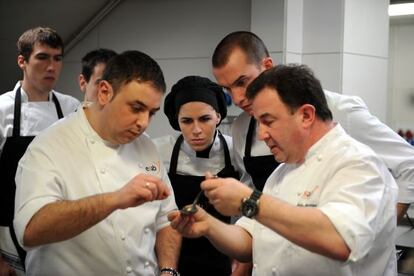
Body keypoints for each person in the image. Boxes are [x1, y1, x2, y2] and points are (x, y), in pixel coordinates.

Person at [169, 64, 398, 276]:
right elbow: (249, 241)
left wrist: (248, 201)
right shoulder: (282, 172)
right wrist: (209, 225)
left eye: (268, 121)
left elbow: (340, 239)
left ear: (306, 116)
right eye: (258, 122)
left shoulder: (357, 164)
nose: (261, 134)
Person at [211, 31, 414, 222]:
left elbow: (409, 164)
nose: (237, 98)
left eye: (242, 82)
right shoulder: (241, 128)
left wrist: (383, 229)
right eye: (228, 89)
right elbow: (252, 194)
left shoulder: (340, 110)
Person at [13, 50, 180, 276]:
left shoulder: (147, 147)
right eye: (136, 108)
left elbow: (166, 219)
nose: (143, 123)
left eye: (152, 113)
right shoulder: (50, 146)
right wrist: (116, 199)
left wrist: (168, 270)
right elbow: (30, 230)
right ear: (104, 92)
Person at [0, 26, 79, 275]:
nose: (52, 67)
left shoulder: (71, 108)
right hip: (8, 233)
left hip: (60, 228)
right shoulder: (1, 110)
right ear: (22, 61)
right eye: (43, 58)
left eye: (57, 59)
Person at [153, 76, 239, 276]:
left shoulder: (236, 151)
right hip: (175, 258)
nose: (197, 130)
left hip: (226, 257)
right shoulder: (159, 151)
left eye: (205, 119)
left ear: (218, 116)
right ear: (177, 120)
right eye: (187, 121)